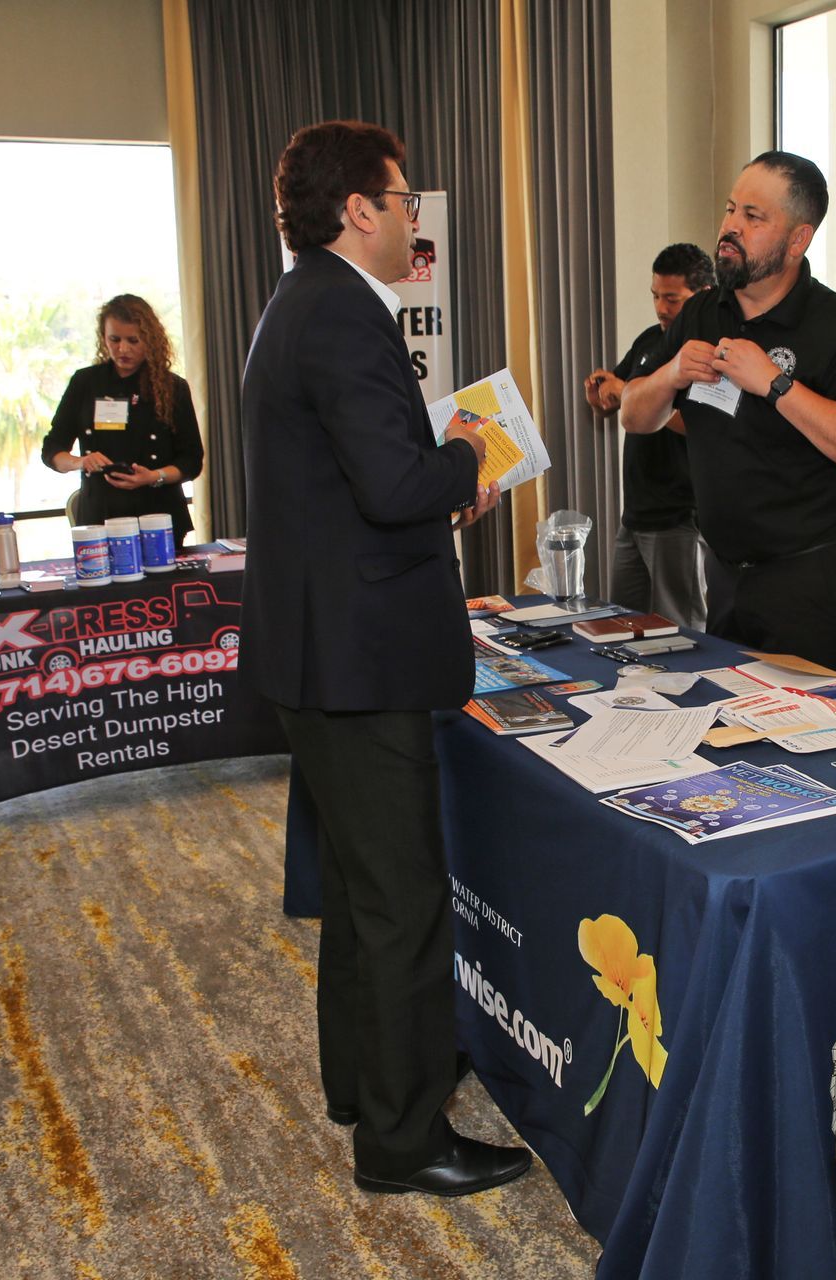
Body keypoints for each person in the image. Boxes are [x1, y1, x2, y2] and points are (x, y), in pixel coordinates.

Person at [241, 119, 528, 1197]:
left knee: (364, 894)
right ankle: (404, 1140)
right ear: (358, 209)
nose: (415, 217)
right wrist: (468, 455)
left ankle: (368, 1079)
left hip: (324, 649)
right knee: (404, 900)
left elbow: (352, 494)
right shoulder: (346, 317)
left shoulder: (301, 302)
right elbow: (399, 485)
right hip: (359, 664)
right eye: (403, 198)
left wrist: (432, 482)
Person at [619, 151, 836, 673]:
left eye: (753, 217)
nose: (730, 228)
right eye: (730, 210)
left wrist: (775, 384)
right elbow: (634, 415)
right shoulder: (702, 312)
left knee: (816, 747)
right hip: (725, 581)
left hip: (813, 588)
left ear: (798, 240)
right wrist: (672, 373)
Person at [583, 243, 713, 628]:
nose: (661, 308)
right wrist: (600, 397)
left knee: (681, 631)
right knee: (621, 626)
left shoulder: (708, 354)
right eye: (656, 296)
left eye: (672, 298)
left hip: (679, 516)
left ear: (702, 294)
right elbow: (618, 399)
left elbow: (698, 424)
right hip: (636, 513)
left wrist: (627, 393)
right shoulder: (649, 341)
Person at [41, 294, 203, 534]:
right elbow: (52, 450)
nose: (122, 349)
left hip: (158, 516)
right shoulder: (85, 383)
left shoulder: (173, 387)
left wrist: (153, 476)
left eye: (133, 340)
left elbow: (191, 461)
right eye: (114, 339)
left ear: (150, 340)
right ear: (103, 338)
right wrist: (80, 462)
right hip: (100, 517)